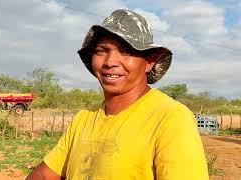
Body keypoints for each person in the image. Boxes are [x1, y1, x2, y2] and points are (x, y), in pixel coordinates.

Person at [27, 9, 209, 180]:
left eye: (126, 51)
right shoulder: (83, 119)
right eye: (101, 51)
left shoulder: (171, 118)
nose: (110, 62)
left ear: (150, 62)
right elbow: (44, 175)